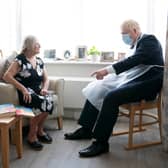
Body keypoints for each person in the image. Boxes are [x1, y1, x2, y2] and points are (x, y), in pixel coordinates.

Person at [64, 19, 164, 157]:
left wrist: (107, 70)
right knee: (99, 87)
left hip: (148, 83)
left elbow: (134, 61)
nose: (124, 37)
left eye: (125, 33)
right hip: (136, 79)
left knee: (111, 97)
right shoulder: (135, 44)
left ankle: (101, 143)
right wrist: (107, 73)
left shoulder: (149, 40)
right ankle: (86, 129)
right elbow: (128, 62)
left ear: (134, 30)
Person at [3, 35, 53, 151]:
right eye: (37, 44)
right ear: (29, 46)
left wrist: (45, 89)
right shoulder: (20, 59)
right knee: (42, 102)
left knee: (49, 100)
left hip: (37, 91)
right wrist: (23, 89)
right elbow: (7, 76)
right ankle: (32, 135)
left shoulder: (39, 61)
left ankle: (40, 131)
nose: (39, 46)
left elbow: (46, 79)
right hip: (25, 92)